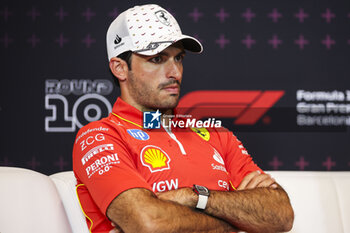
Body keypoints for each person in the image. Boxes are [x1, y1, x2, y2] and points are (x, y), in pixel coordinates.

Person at [73, 4, 294, 233]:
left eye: (178, 58)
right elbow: (149, 223)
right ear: (120, 68)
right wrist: (238, 221)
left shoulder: (216, 134)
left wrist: (194, 196)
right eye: (158, 59)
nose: (175, 73)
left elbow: (281, 214)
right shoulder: (100, 137)